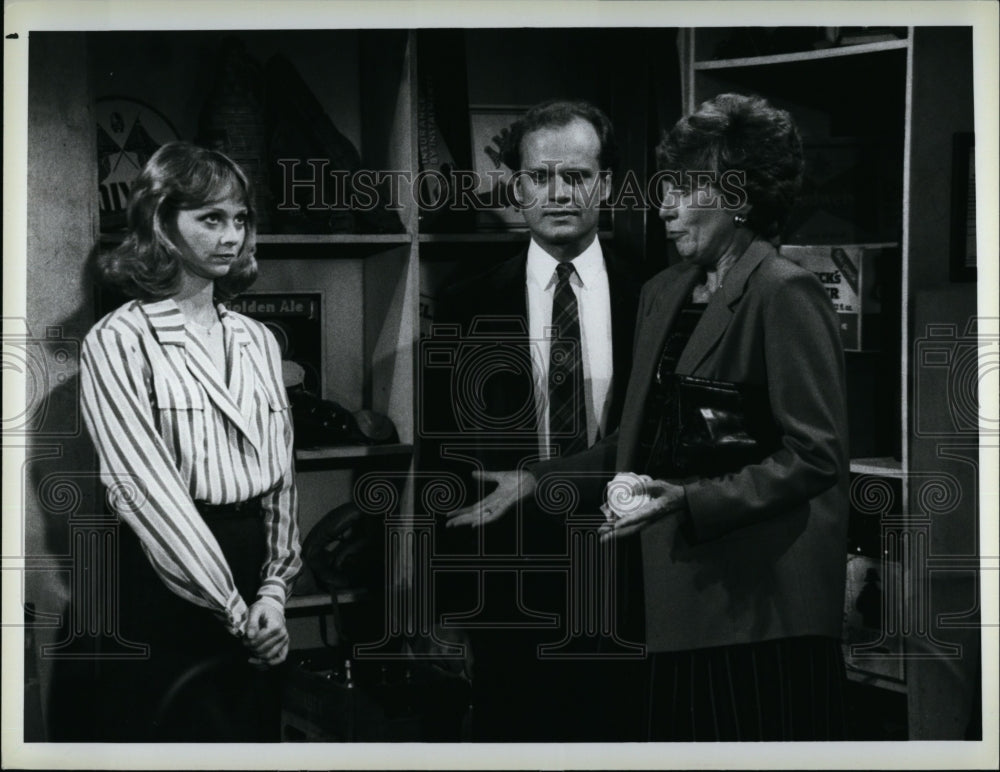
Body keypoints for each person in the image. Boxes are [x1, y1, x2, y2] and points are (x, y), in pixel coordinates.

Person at [448, 93, 850, 741]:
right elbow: (637, 447)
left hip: (755, 612)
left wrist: (686, 500)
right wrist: (537, 479)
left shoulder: (784, 291)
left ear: (739, 197)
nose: (663, 204)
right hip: (674, 607)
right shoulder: (669, 292)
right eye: (667, 186)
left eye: (686, 188)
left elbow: (815, 457)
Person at [423, 99, 645, 741]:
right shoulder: (468, 302)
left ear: (603, 185)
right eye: (541, 176)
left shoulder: (657, 289)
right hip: (511, 582)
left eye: (576, 176)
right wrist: (445, 604)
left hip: (630, 570)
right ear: (518, 188)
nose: (558, 192)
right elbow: (444, 460)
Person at [79, 141, 302, 741]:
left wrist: (275, 591)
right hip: (165, 580)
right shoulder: (118, 340)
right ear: (160, 222)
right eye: (210, 218)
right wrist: (237, 613)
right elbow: (149, 496)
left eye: (240, 218)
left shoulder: (258, 340)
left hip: (251, 567)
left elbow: (280, 476)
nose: (231, 235)